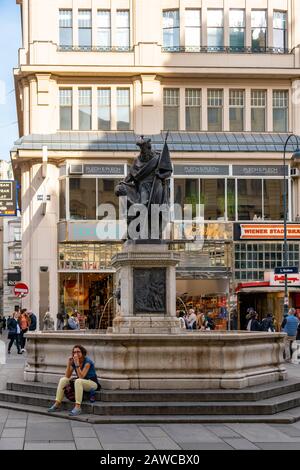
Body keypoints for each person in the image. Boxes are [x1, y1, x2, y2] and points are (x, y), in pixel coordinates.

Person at [47, 344, 100, 416]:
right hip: (81, 382)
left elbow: (81, 376)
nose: (76, 354)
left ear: (82, 353)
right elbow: (67, 376)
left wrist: (77, 364)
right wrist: (69, 363)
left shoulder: (88, 362)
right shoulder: (74, 361)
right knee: (63, 379)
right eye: (74, 352)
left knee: (78, 380)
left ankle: (78, 407)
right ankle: (57, 403)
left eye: (78, 352)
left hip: (92, 383)